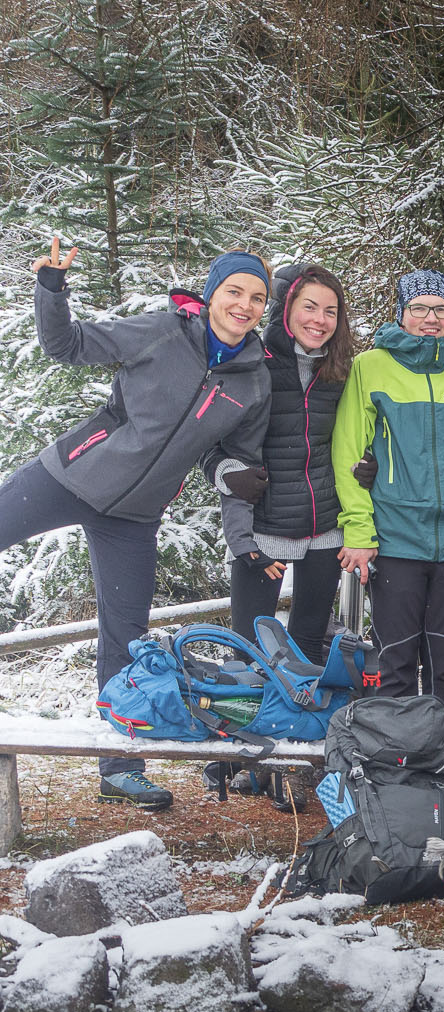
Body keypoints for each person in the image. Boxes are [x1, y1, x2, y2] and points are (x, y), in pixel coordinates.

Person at [0, 238, 271, 809]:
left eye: (256, 297)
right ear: (212, 294)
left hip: (134, 517)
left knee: (126, 635)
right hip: (70, 475)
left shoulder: (253, 380)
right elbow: (66, 344)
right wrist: (52, 286)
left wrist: (232, 483)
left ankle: (120, 767)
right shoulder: (162, 331)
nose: (243, 305)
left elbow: (230, 459)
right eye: (233, 292)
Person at [333, 269, 444, 725]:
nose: (431, 318)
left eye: (441, 309)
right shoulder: (370, 367)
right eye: (420, 308)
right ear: (402, 314)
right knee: (397, 665)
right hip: (395, 539)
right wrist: (359, 530)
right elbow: (348, 455)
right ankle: (397, 767)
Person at [207, 262, 353, 665]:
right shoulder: (251, 363)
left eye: (331, 311)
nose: (320, 320)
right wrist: (226, 474)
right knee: (248, 648)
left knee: (308, 643)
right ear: (285, 308)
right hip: (262, 529)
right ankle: (245, 721)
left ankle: (299, 723)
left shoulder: (341, 370)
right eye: (310, 307)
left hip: (325, 528)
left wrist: (366, 465)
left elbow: (356, 436)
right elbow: (205, 439)